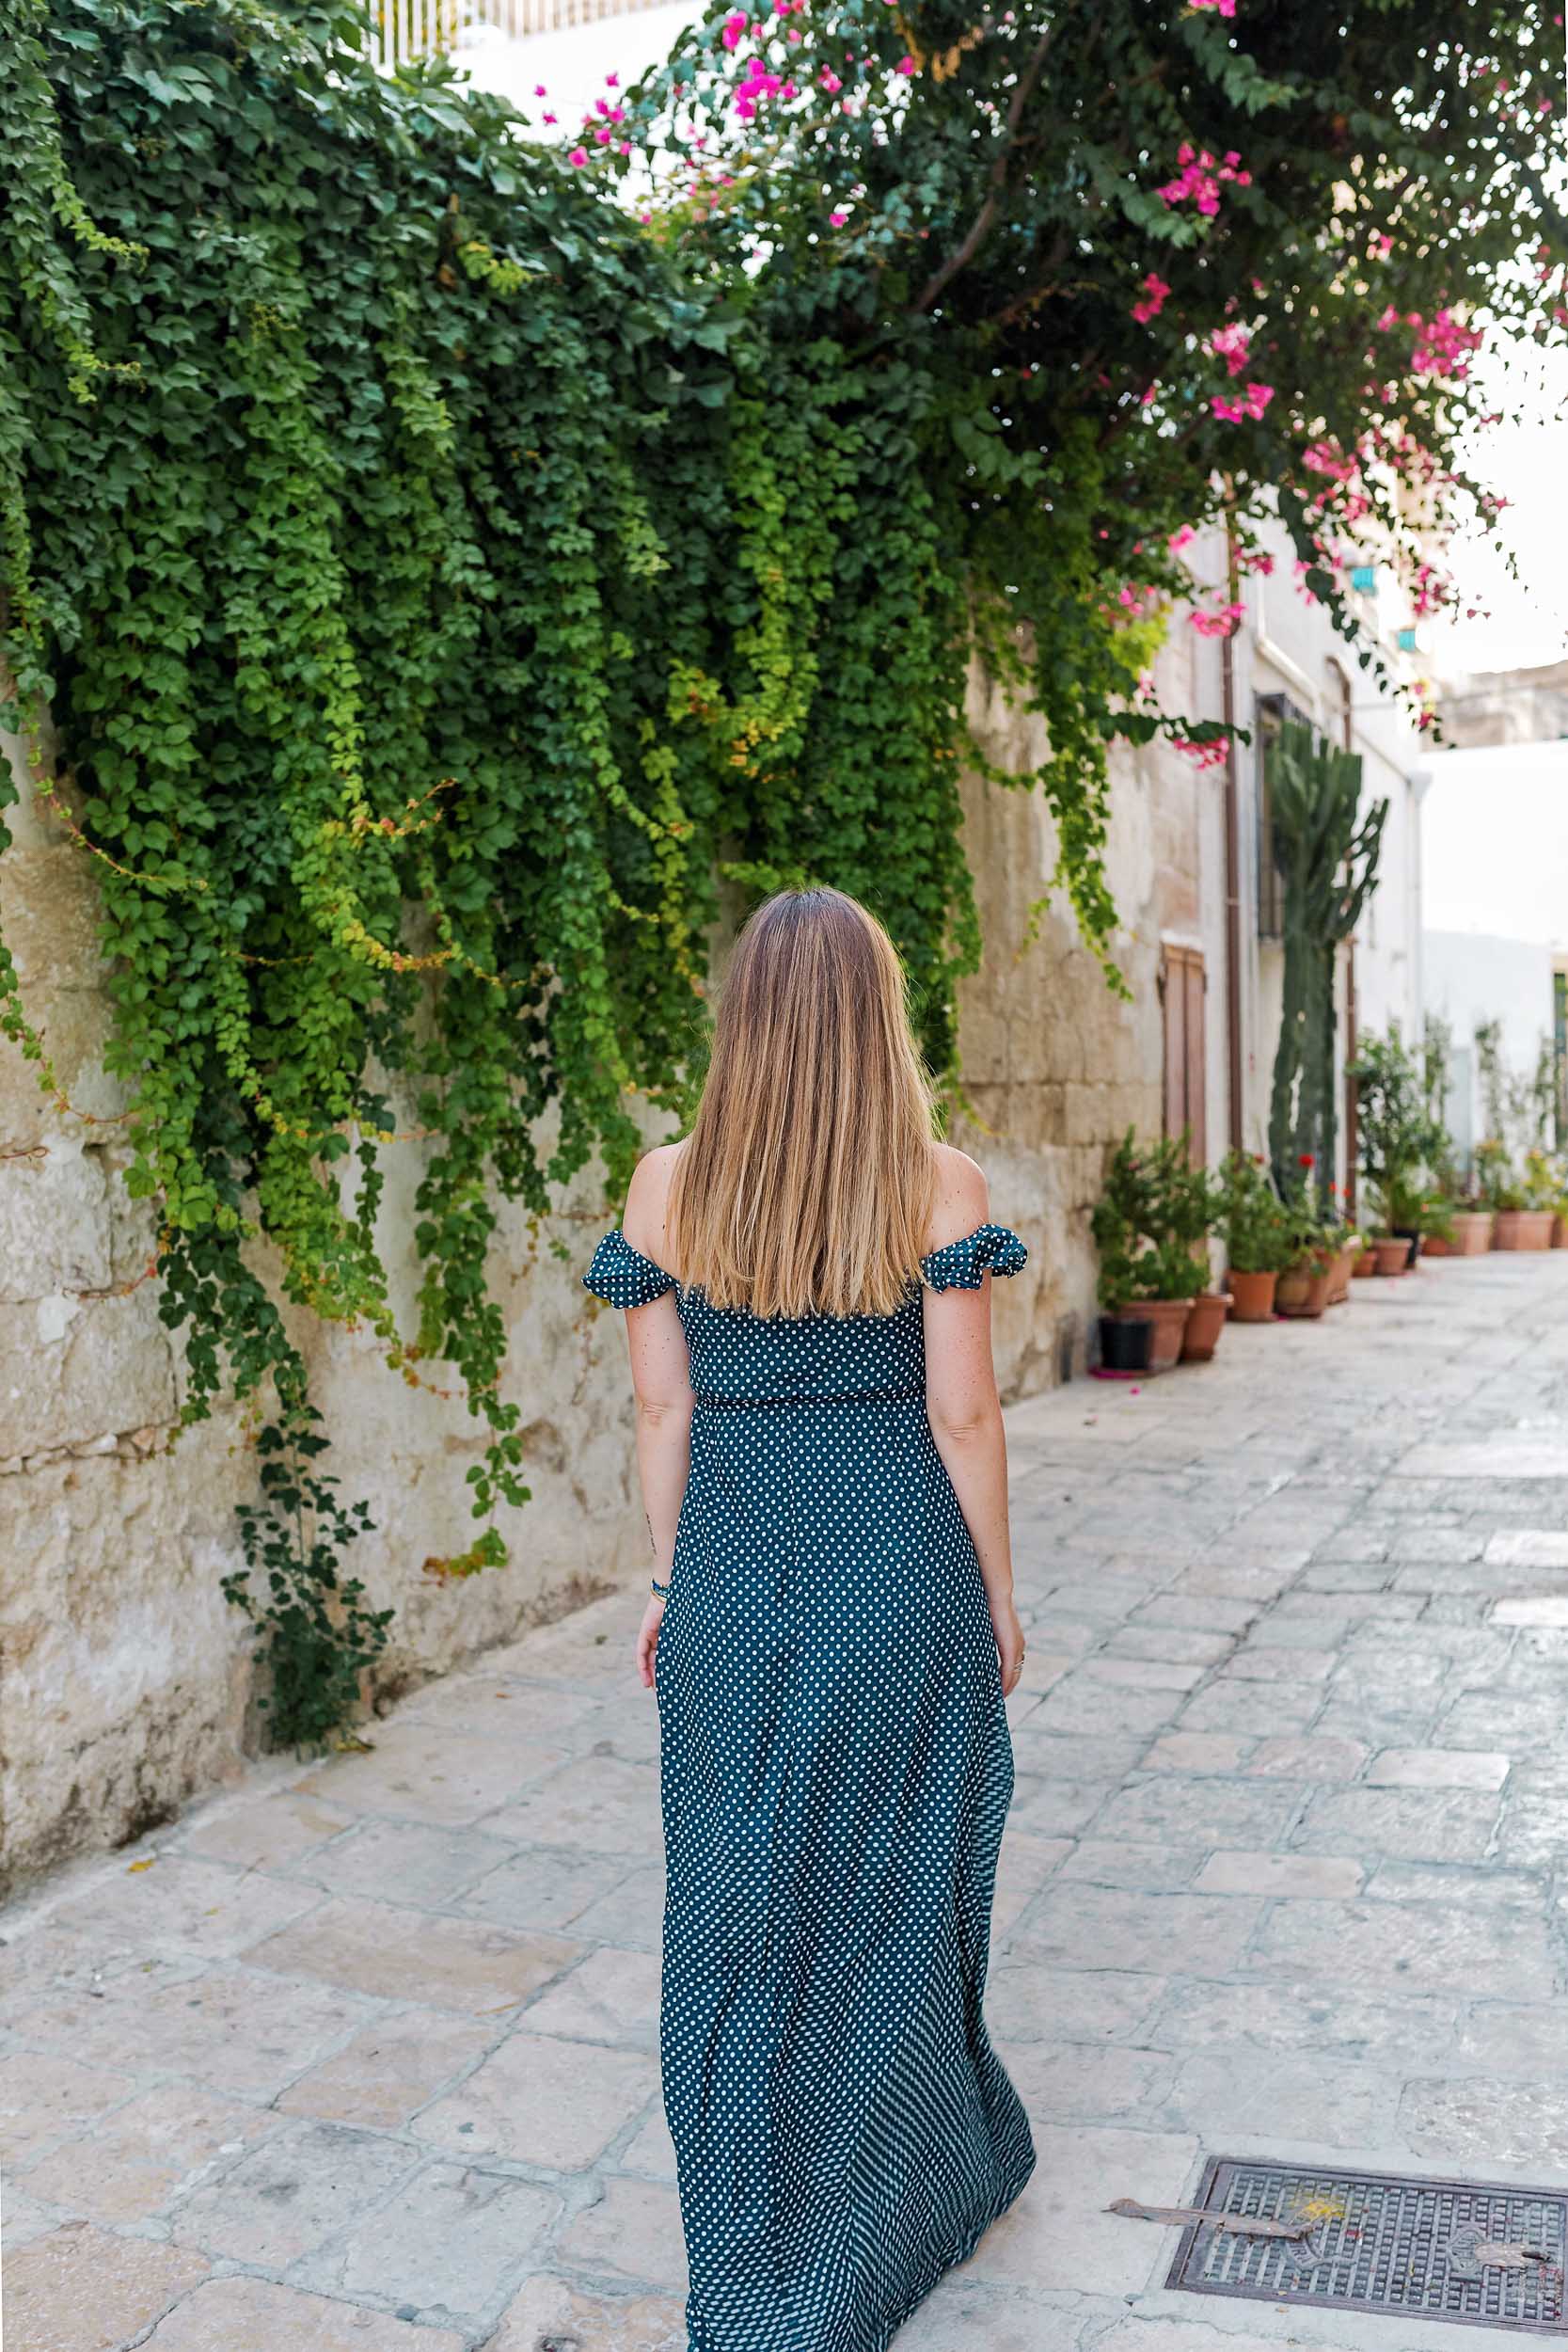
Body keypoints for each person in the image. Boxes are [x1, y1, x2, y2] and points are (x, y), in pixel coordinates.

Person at [583, 886, 1034, 2351]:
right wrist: (1001, 1599)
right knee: (896, 1893)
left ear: (744, 1023)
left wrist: (671, 1582)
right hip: (895, 1563)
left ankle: (754, 2241)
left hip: (735, 1573)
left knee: (732, 1908)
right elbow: (961, 1415)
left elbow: (667, 1408)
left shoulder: (665, 1185)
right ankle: (882, 2207)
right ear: (877, 1018)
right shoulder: (939, 1187)